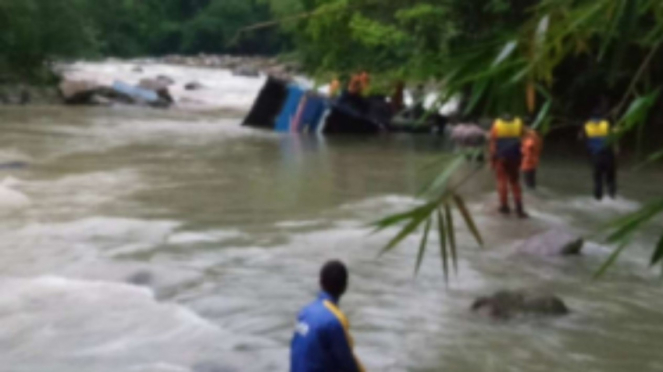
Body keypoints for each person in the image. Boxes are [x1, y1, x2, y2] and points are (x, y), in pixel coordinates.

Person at [291, 260, 365, 372]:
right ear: (344, 287)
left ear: (320, 282)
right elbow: (349, 365)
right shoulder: (335, 320)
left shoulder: (305, 312)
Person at [490, 114, 528, 218]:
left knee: (502, 181)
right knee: (515, 182)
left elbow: (493, 143)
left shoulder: (496, 124)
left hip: (501, 156)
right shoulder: (519, 123)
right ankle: (519, 208)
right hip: (515, 156)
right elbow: (525, 138)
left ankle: (504, 206)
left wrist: (492, 160)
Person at [581, 114, 617, 200]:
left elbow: (582, 139)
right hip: (608, 155)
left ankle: (598, 199)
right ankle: (612, 198)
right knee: (610, 179)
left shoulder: (587, 125)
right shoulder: (607, 124)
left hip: (596, 156)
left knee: (598, 180)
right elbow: (616, 134)